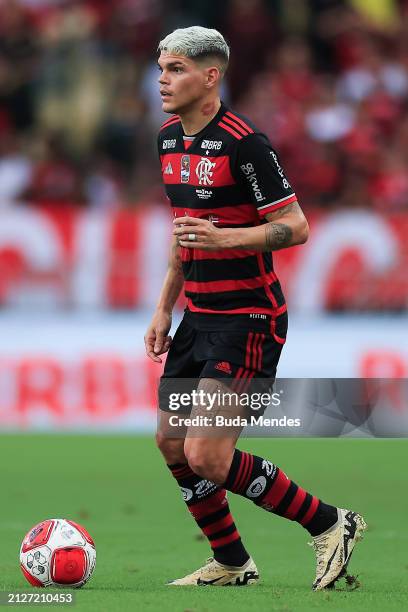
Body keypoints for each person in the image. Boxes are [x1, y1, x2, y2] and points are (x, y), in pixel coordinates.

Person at [144, 26, 366, 589]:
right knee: (172, 442)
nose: (162, 79)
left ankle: (331, 523)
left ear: (210, 76)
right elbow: (183, 234)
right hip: (198, 317)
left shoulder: (246, 144)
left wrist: (227, 240)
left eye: (175, 69)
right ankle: (232, 562)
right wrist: (163, 307)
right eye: (161, 67)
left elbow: (296, 227)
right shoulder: (170, 140)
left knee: (208, 456)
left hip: (249, 319)